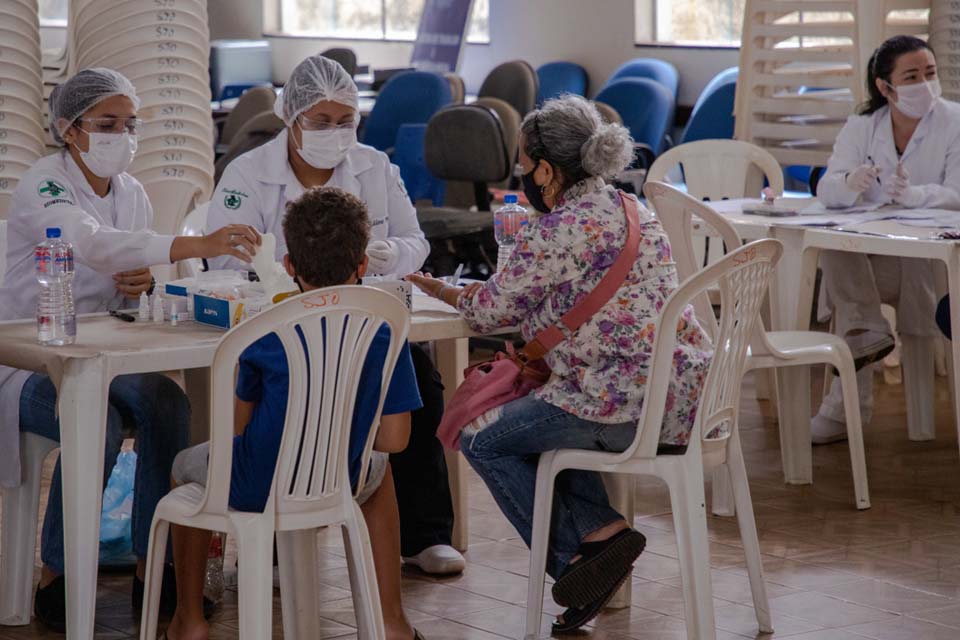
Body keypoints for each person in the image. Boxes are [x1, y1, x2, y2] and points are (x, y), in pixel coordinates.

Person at [407, 96, 713, 633]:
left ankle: (573, 562)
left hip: (615, 404)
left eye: (525, 165)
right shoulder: (631, 206)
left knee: (481, 436)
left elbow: (491, 312)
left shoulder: (554, 229)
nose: (522, 175)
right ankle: (602, 532)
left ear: (547, 170)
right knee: (535, 423)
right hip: (680, 395)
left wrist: (446, 290)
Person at [0, 68, 261, 631]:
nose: (122, 134)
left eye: (129, 123)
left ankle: (156, 565)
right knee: (97, 420)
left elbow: (127, 268)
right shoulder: (43, 183)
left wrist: (143, 282)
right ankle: (60, 576)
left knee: (168, 404)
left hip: (102, 350)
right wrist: (195, 244)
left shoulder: (133, 193)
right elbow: (90, 244)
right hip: (28, 358)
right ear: (70, 129)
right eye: (107, 123)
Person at [205, 54, 463, 575]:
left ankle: (424, 534)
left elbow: (416, 241)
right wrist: (277, 271)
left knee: (425, 384)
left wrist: (387, 253)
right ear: (290, 118)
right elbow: (220, 258)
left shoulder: (375, 166)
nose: (334, 132)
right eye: (320, 121)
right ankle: (277, 544)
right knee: (286, 398)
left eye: (344, 120)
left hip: (364, 324)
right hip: (280, 329)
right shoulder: (248, 174)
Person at [165, 187, 425, 640]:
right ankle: (392, 620)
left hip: (256, 485)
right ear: (363, 264)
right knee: (380, 474)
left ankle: (190, 619)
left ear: (288, 266)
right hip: (339, 482)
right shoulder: (384, 327)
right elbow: (396, 440)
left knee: (184, 469)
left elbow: (240, 430)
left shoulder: (264, 331)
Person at [813, 35, 960, 444]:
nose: (924, 84)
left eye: (930, 73)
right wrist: (848, 183)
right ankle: (866, 332)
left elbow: (959, 193)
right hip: (871, 260)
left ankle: (846, 397)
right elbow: (826, 191)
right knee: (836, 249)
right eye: (911, 76)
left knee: (851, 298)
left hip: (927, 264)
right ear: (885, 86)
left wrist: (918, 196)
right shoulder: (863, 126)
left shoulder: (954, 121)